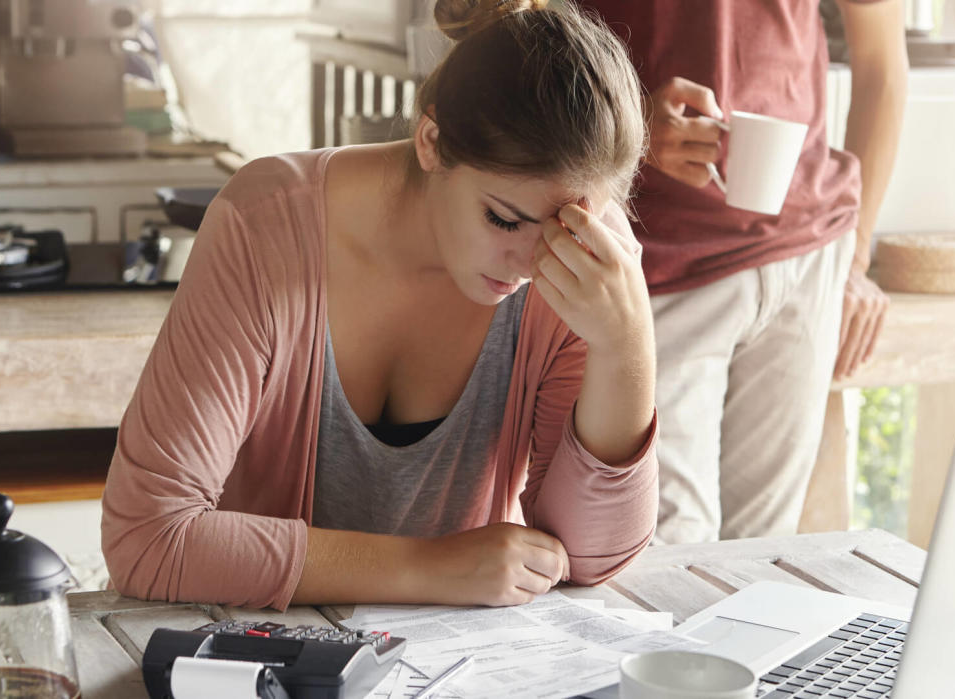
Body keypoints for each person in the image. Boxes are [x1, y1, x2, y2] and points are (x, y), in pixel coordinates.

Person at [100, 0, 659, 610]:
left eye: (567, 230)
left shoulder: (579, 265)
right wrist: (428, 568)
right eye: (503, 219)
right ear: (431, 141)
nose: (532, 265)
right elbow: (148, 538)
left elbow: (588, 558)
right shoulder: (265, 227)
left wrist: (627, 348)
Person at [580, 0, 908, 543]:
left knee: (765, 555)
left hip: (806, 254)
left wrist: (857, 256)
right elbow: (522, 41)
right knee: (664, 551)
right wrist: (626, 122)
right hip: (655, 264)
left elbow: (882, 63)